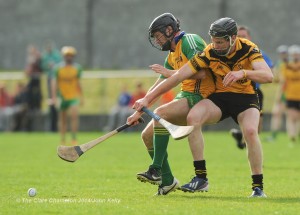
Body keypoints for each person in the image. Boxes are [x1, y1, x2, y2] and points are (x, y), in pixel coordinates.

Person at [131, 17, 273, 197]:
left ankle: (258, 187)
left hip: (245, 98)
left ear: (233, 38)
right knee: (193, 118)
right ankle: (201, 178)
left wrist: (242, 73)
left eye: (220, 42)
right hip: (220, 98)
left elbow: (268, 76)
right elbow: (178, 77)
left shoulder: (248, 48)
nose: (216, 45)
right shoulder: (209, 51)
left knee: (251, 132)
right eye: (213, 41)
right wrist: (145, 101)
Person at [127, 13, 215, 195]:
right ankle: (167, 182)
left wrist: (170, 73)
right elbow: (159, 85)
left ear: (169, 30)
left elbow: (203, 74)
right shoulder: (171, 54)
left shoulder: (190, 41)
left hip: (202, 96)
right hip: (185, 96)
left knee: (161, 113)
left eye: (159, 36)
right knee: (147, 136)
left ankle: (155, 170)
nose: (157, 41)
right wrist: (140, 110)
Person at [229, 26, 273, 149]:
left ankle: (245, 141)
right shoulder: (231, 54)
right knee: (245, 120)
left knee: (257, 122)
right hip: (237, 91)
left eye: (244, 36)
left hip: (255, 91)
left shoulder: (256, 52)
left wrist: (253, 74)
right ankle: (245, 140)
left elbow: (270, 72)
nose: (241, 38)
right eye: (239, 36)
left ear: (249, 37)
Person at [51, 46, 83, 145]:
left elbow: (78, 83)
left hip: (73, 96)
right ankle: (63, 139)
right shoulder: (58, 68)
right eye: (67, 55)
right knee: (63, 119)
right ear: (64, 56)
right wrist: (54, 97)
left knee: (74, 116)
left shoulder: (77, 68)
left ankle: (74, 138)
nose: (69, 57)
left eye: (70, 55)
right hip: (62, 96)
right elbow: (54, 83)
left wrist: (81, 96)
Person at [266, 45, 289, 142]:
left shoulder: (290, 64)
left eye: (284, 53)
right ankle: (274, 136)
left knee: (292, 115)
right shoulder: (279, 64)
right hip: (283, 92)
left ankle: (292, 136)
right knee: (277, 114)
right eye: (281, 53)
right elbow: (276, 79)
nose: (282, 55)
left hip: (289, 93)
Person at [280, 45, 300, 146]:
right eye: (293, 54)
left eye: (296, 54)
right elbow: (283, 81)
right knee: (292, 117)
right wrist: (280, 95)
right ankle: (292, 137)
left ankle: (295, 135)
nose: (295, 56)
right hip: (290, 95)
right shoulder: (285, 66)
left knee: (297, 118)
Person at [41, 42, 62, 132]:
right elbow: (43, 65)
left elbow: (60, 65)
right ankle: (52, 127)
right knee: (52, 104)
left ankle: (58, 126)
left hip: (58, 80)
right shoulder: (45, 56)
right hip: (50, 79)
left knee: (58, 104)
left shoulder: (57, 56)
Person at [25, 45, 43, 131]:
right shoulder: (30, 58)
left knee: (37, 93)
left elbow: (38, 66)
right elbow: (29, 68)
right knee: (29, 92)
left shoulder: (37, 57)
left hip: (36, 77)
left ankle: (37, 107)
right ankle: (31, 106)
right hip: (32, 78)